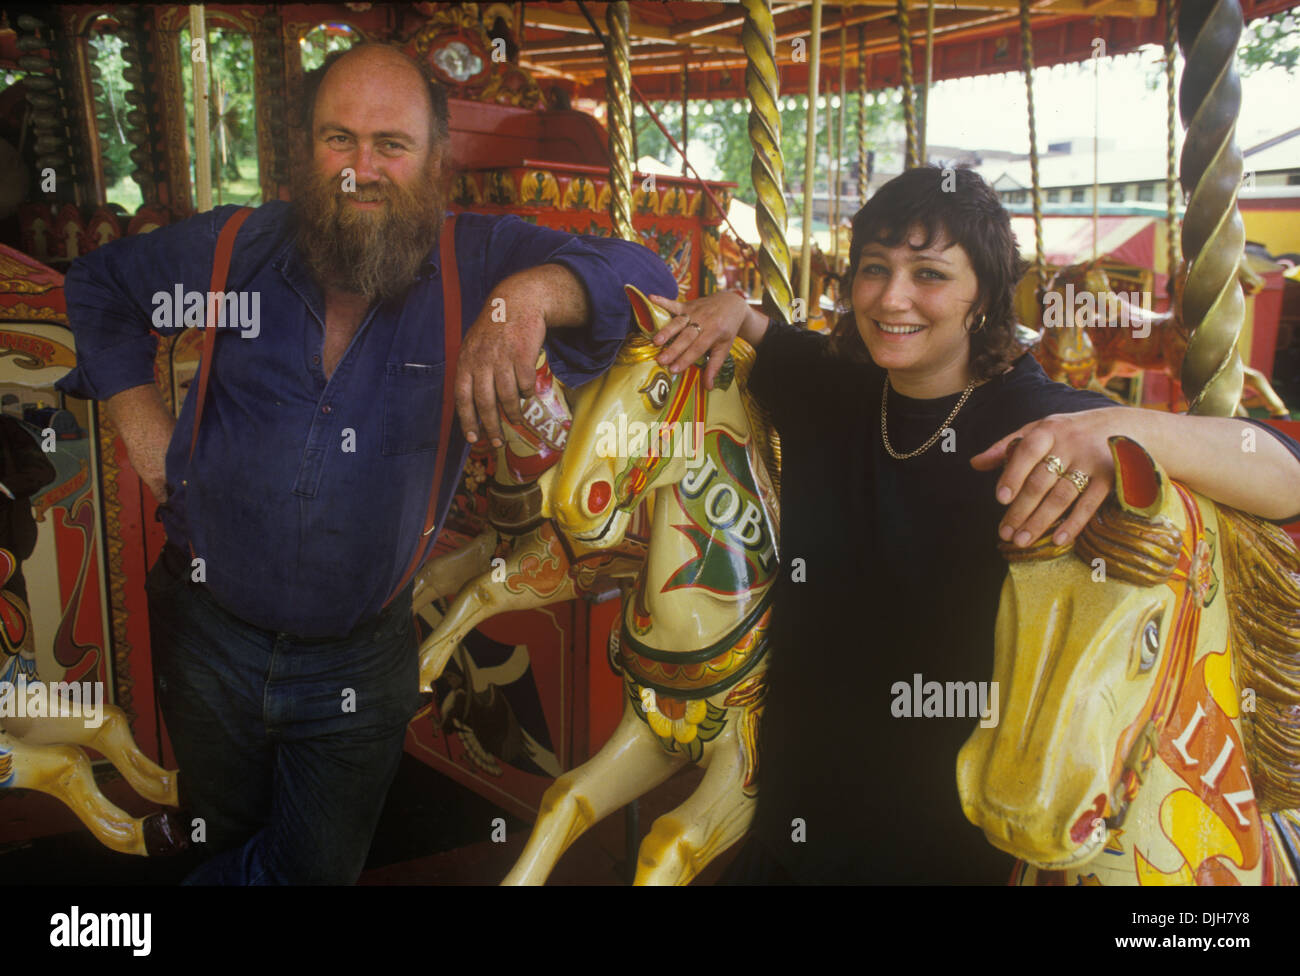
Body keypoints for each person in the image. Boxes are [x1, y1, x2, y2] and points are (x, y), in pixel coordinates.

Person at [57, 43, 676, 884]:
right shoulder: (236, 249)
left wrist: (525, 299)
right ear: (303, 151)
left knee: (315, 870)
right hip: (208, 632)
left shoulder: (476, 261)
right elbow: (99, 287)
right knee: (219, 832)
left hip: (359, 659)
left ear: (436, 161)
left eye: (391, 144)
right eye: (337, 139)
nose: (361, 169)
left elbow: (643, 272)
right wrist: (139, 424)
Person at [647, 165, 1300, 883]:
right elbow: (760, 333)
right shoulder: (835, 387)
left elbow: (1286, 474)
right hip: (796, 817)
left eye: (929, 274)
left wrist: (1120, 426)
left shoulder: (1040, 423)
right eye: (874, 269)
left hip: (947, 841)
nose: (892, 297)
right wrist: (730, 304)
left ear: (983, 296)